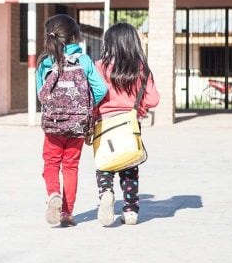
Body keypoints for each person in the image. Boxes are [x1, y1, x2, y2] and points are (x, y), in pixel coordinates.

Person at [36, 14, 107, 227]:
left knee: (51, 163)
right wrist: (85, 105)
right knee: (71, 166)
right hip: (77, 125)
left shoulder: (44, 62)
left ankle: (53, 194)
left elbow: (41, 93)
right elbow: (101, 89)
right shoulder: (84, 60)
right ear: (75, 37)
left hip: (53, 125)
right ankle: (67, 213)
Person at [94, 22, 160, 226]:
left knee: (104, 164)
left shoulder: (99, 67)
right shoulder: (141, 68)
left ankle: (106, 191)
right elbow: (154, 99)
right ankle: (130, 211)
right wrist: (139, 105)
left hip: (104, 124)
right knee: (130, 166)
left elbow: (93, 96)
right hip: (130, 124)